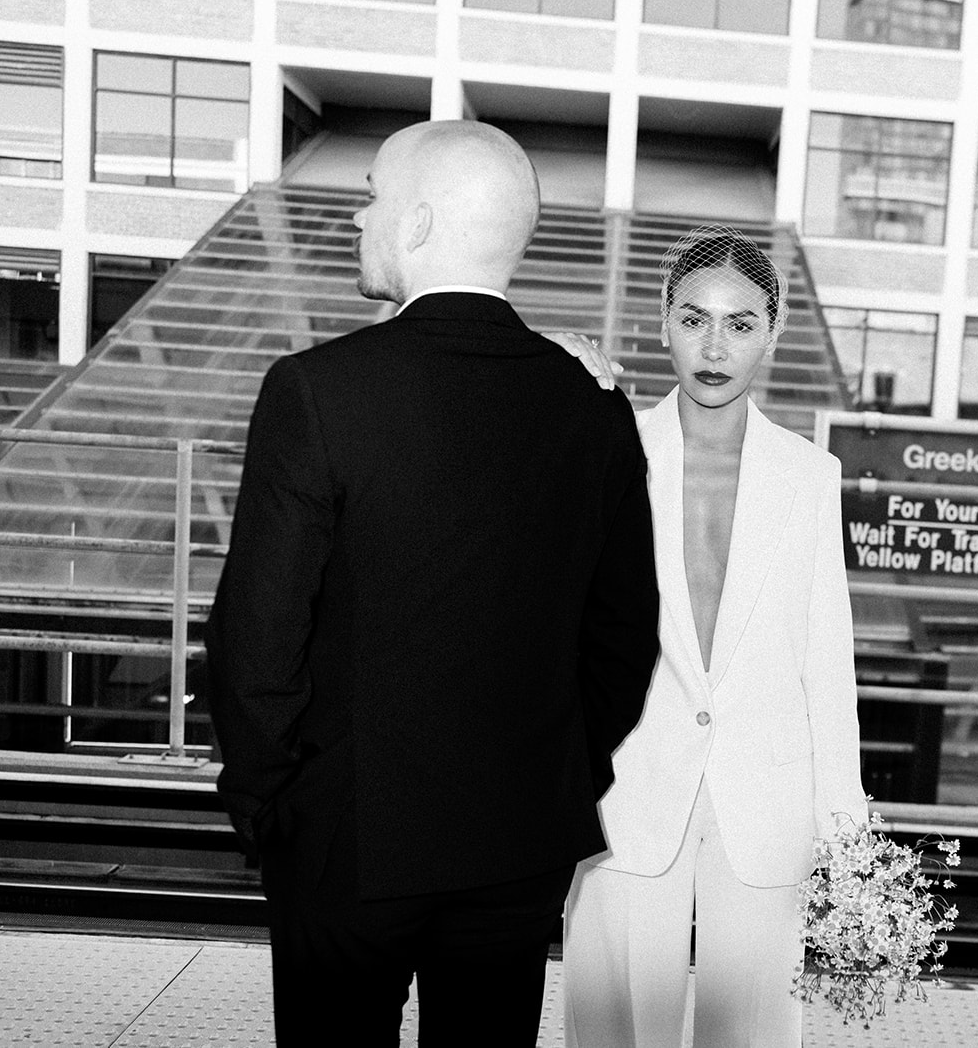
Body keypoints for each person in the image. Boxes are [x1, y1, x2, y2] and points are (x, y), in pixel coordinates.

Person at [204, 120, 661, 1047]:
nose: (356, 218)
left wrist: (272, 809)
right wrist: (557, 775)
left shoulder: (316, 392)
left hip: (345, 839)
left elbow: (258, 639)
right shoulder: (594, 405)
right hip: (516, 845)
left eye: (369, 195)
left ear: (414, 226)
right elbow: (624, 637)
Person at [557, 227, 868, 1048]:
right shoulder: (602, 450)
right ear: (662, 322)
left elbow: (825, 664)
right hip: (624, 788)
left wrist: (847, 832)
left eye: (739, 322)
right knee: (614, 1031)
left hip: (766, 799)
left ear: (774, 330)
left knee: (754, 1037)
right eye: (694, 319)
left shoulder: (809, 475)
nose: (714, 346)